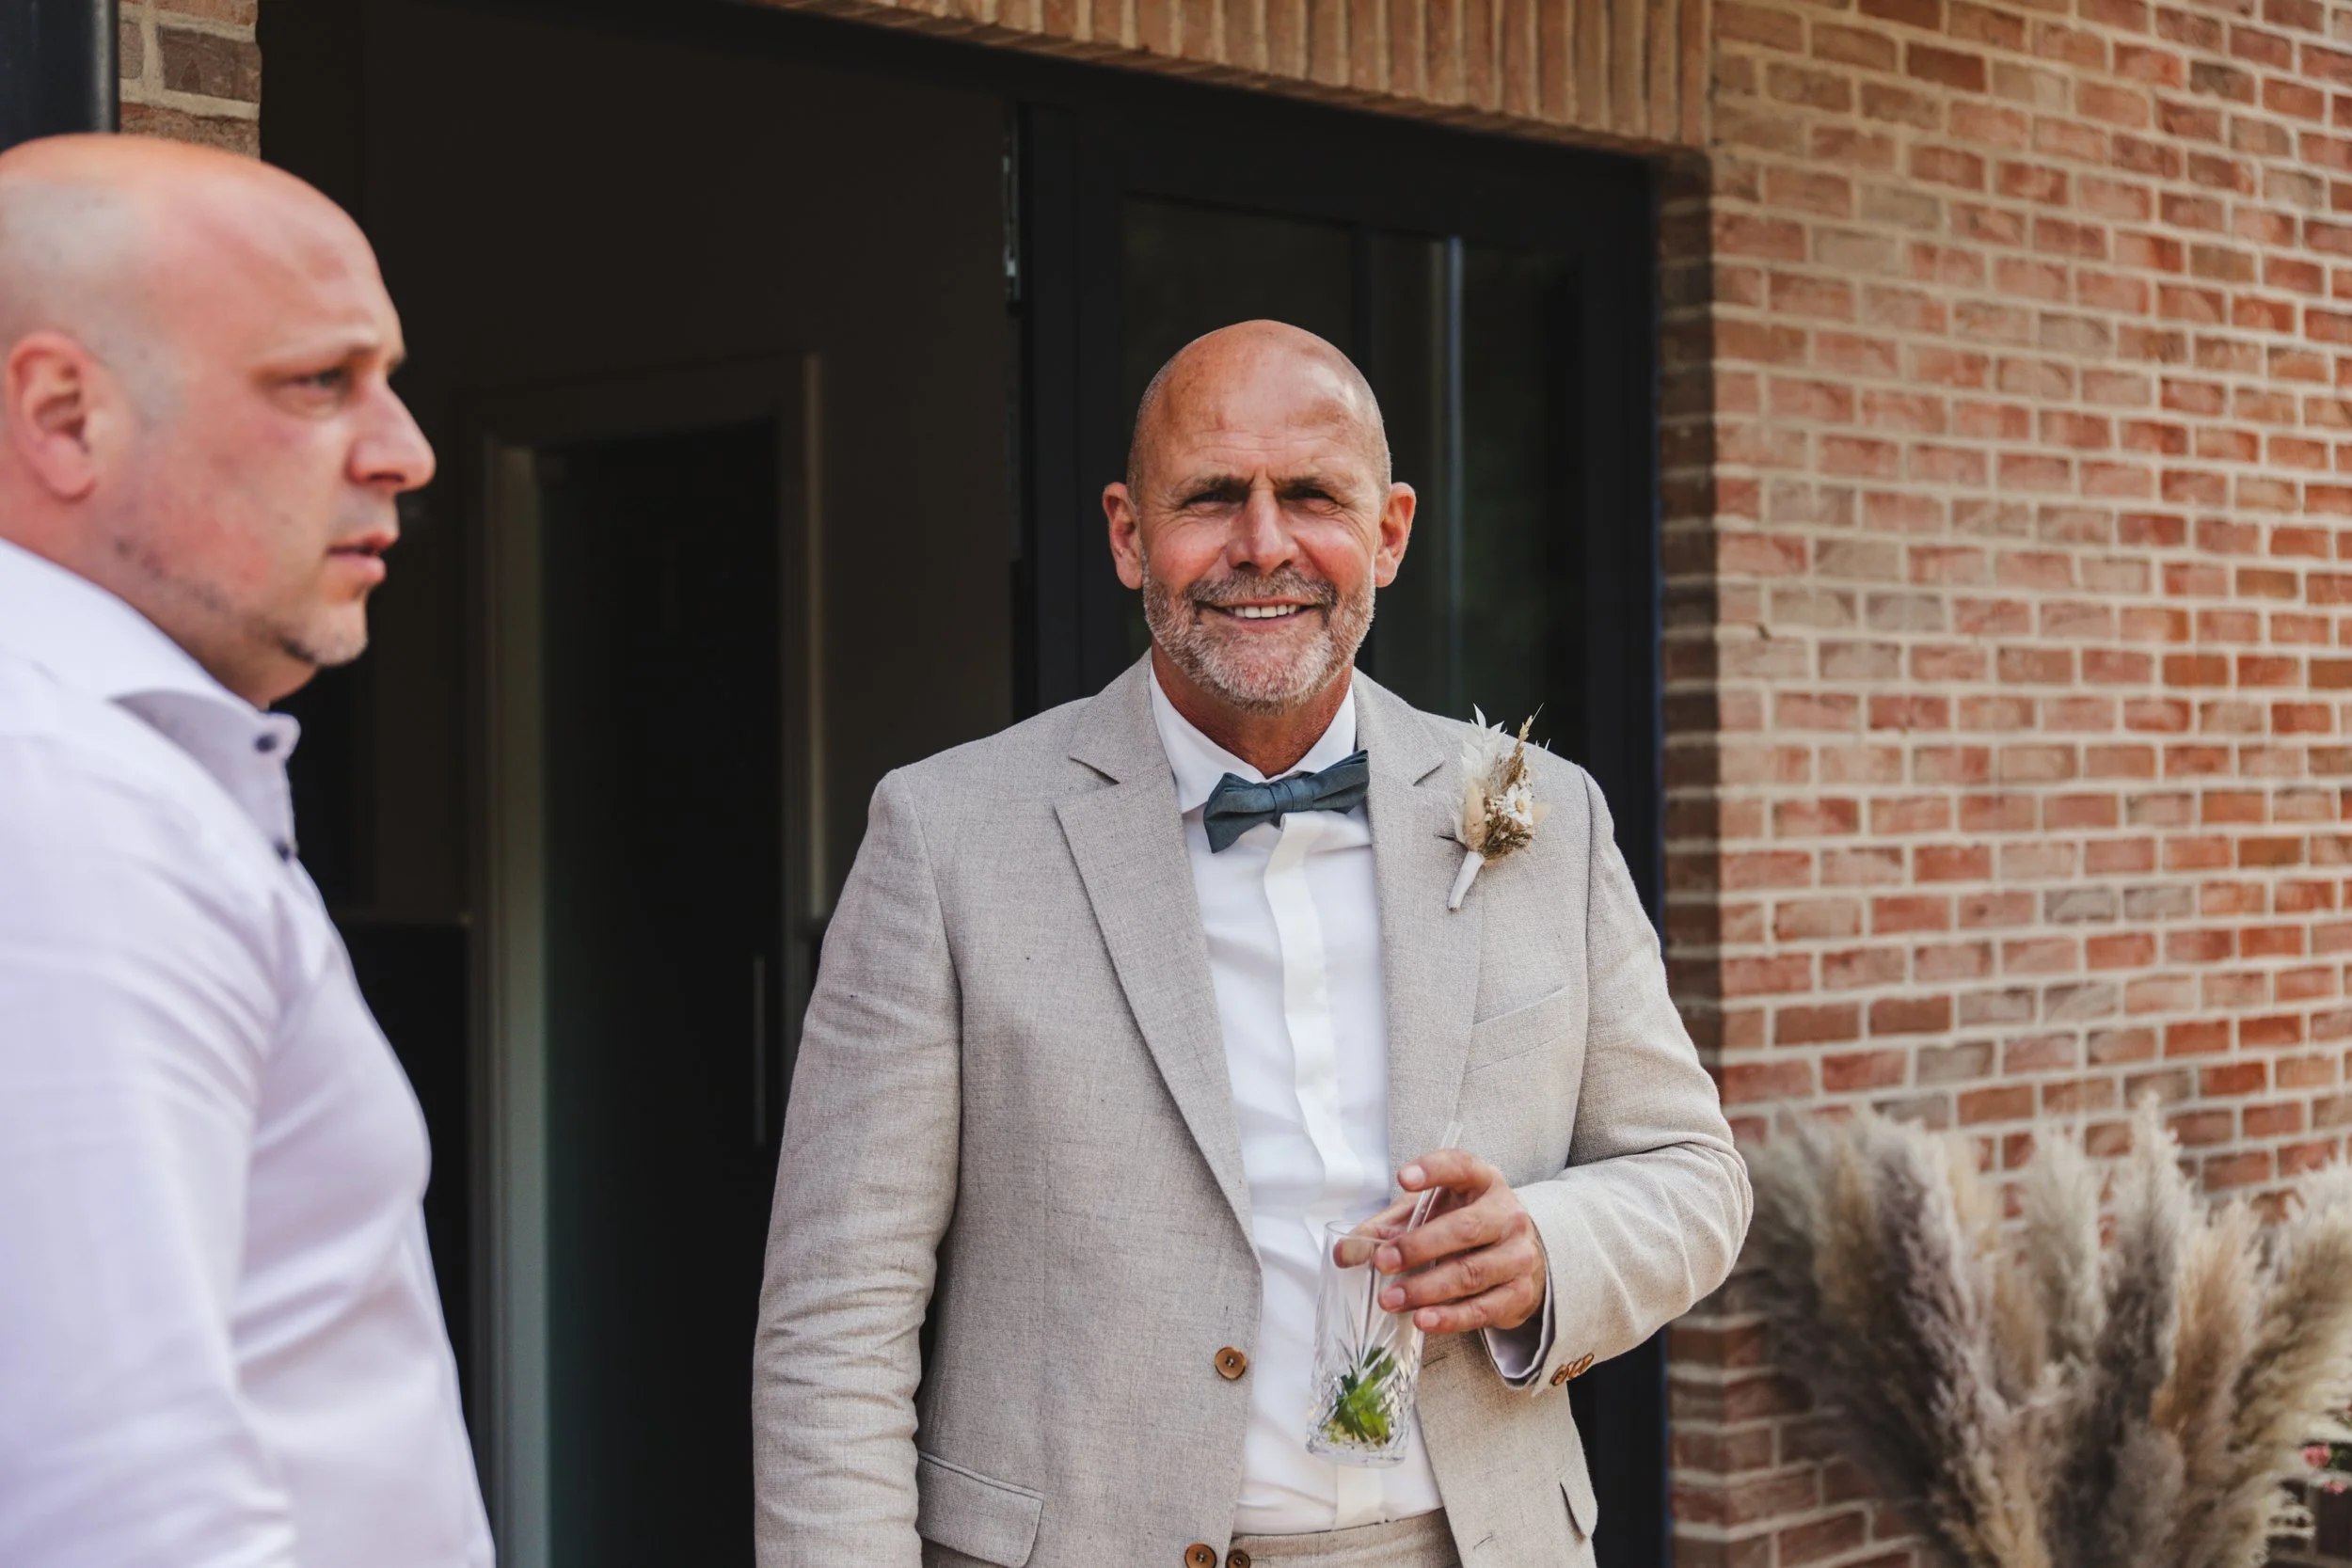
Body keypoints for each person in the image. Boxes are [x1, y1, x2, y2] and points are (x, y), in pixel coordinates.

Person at [753, 319, 1748, 1567]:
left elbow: (1695, 1175)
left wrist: (1549, 1246)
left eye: (1313, 496)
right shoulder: (944, 837)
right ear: (1128, 534)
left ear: (1388, 530)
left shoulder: (1548, 815)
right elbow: (834, 1318)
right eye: (1213, 495)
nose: (1264, 544)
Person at [0, 135, 491, 1565]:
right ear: (63, 414)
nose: (405, 448)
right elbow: (121, 1506)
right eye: (316, 382)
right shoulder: (67, 803)